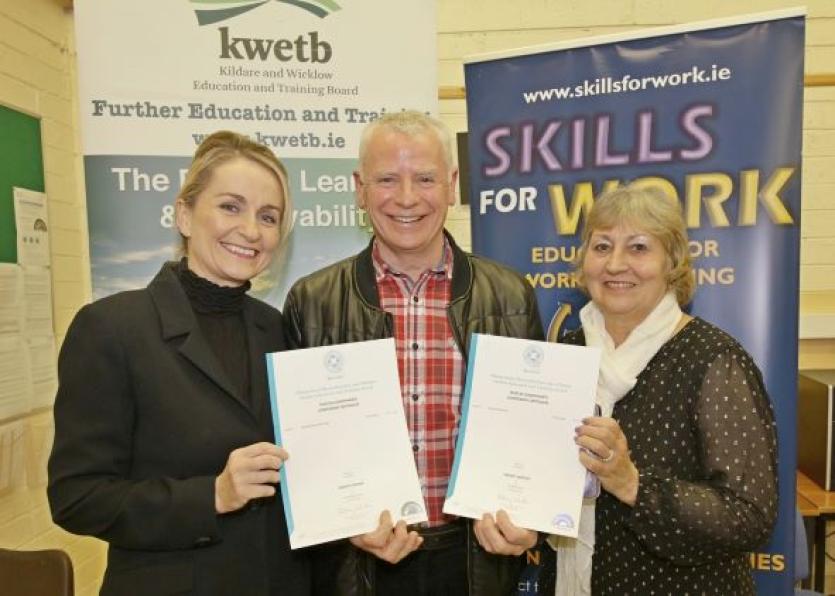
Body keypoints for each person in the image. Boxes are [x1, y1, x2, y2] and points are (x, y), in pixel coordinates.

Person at [283, 110, 544, 596]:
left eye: (424, 178)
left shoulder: (510, 294)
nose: (406, 198)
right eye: (387, 179)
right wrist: (344, 526)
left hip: (475, 562)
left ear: (451, 185)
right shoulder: (312, 300)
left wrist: (532, 521)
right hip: (358, 567)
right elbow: (300, 457)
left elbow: (533, 436)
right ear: (360, 189)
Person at [48, 131, 310, 596]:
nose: (251, 230)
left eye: (268, 216)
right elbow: (77, 497)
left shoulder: (278, 328)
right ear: (184, 214)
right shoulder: (111, 328)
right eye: (230, 206)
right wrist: (212, 495)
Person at [553, 183, 778, 595]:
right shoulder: (565, 353)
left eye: (638, 248)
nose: (616, 264)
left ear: (671, 262)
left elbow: (749, 516)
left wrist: (632, 485)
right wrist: (519, 524)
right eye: (602, 246)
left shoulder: (714, 360)